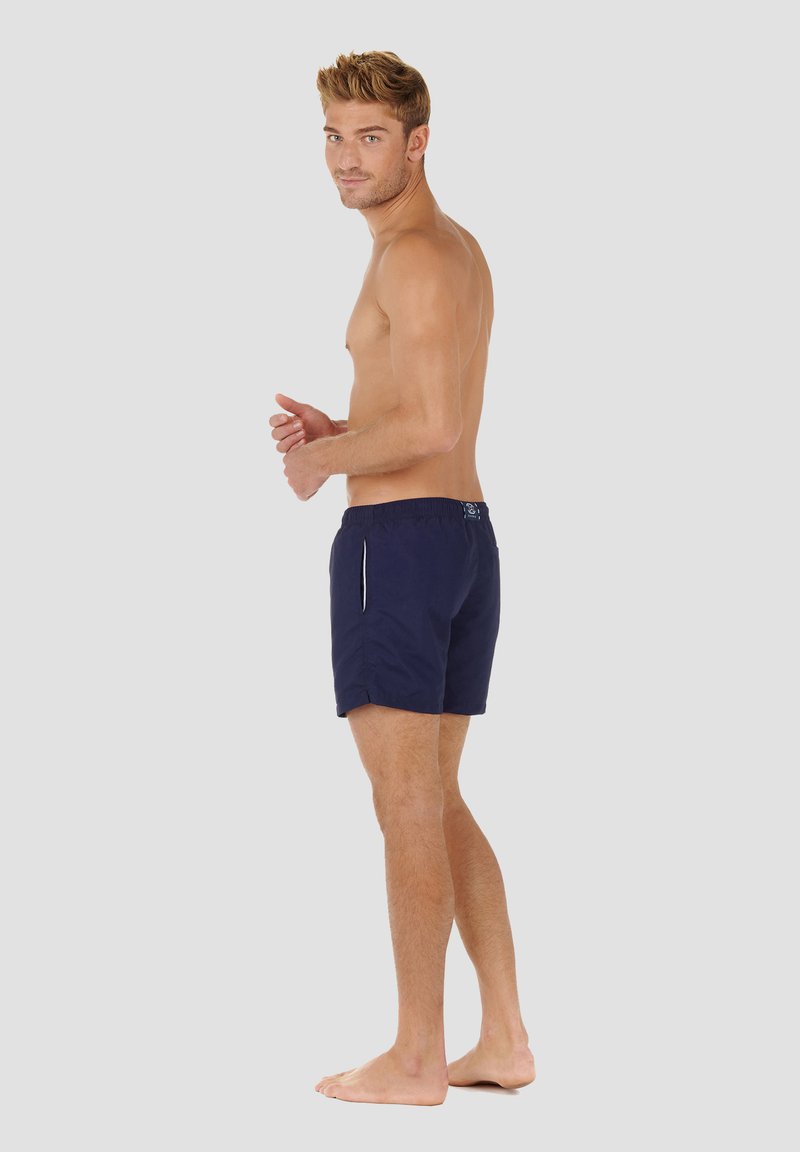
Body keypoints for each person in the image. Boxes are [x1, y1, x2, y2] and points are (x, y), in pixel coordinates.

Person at [269, 50, 536, 1106]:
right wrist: (343, 429)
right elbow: (427, 412)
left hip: (399, 545)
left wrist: (318, 463)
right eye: (333, 137)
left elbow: (428, 425)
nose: (346, 159)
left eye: (370, 138)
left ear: (418, 143)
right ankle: (503, 1038)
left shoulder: (410, 257)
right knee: (438, 796)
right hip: (462, 536)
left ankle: (416, 1055)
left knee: (406, 802)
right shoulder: (453, 250)